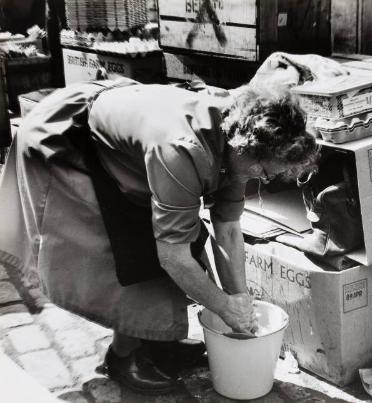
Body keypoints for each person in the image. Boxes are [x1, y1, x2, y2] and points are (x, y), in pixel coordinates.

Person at [0, 76, 319, 394]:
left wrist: (241, 308)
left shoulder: (239, 144)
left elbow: (229, 230)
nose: (263, 179)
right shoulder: (183, 149)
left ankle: (156, 344)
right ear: (246, 146)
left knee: (181, 240)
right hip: (67, 143)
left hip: (129, 147)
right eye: (264, 171)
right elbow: (173, 258)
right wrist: (224, 307)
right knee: (131, 251)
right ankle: (123, 356)